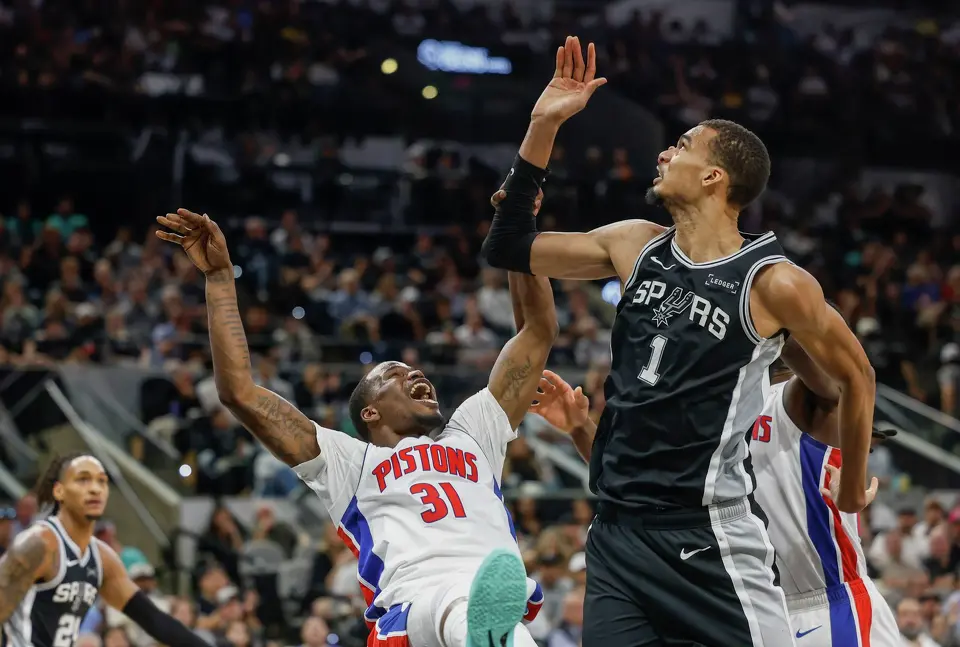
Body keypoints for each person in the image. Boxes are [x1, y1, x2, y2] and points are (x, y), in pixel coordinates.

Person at [483, 35, 875, 646]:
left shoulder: (773, 282)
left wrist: (850, 489)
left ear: (715, 176)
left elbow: (857, 377)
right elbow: (509, 248)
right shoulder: (633, 243)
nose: (665, 152)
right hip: (616, 536)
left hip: (711, 536)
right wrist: (542, 125)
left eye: (683, 145)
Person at [156, 207, 556, 647]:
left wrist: (520, 231)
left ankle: (490, 632)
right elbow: (239, 393)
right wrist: (219, 280)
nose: (415, 375)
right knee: (467, 607)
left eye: (415, 371)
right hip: (416, 608)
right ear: (370, 412)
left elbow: (536, 334)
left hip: (487, 601)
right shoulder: (350, 461)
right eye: (395, 375)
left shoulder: (473, 432)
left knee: (500, 623)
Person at [748, 339, 899, 646]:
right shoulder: (738, 404)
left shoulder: (805, 395)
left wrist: (776, 317)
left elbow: (842, 380)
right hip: (769, 608)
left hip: (831, 606)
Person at [0, 453, 210, 647]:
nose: (95, 488)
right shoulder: (38, 545)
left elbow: (153, 620)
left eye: (101, 481)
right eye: (83, 479)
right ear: (59, 491)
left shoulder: (102, 558)